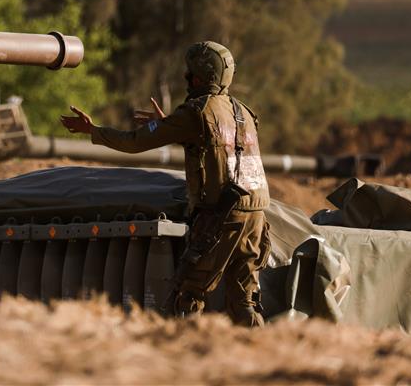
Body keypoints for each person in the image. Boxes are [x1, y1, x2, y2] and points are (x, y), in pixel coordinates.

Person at [59, 41, 270, 326]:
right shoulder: (244, 110)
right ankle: (260, 352)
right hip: (256, 216)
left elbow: (134, 143)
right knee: (244, 298)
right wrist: (170, 124)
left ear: (197, 77)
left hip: (221, 215)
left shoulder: (196, 110)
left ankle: (180, 358)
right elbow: (221, 144)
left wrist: (93, 131)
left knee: (189, 294)